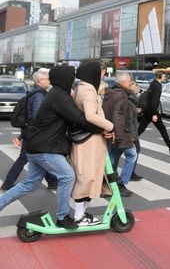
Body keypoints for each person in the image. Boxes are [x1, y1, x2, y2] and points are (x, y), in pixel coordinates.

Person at [0, 65, 103, 229]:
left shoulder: (56, 94)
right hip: (45, 149)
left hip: (36, 146)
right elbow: (79, 119)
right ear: (64, 78)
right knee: (68, 176)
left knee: (30, 184)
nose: (74, 79)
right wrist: (104, 128)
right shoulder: (59, 96)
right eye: (72, 76)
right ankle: (62, 217)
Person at [71, 61, 115, 227]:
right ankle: (79, 216)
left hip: (89, 139)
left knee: (86, 177)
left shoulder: (81, 87)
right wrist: (110, 126)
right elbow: (90, 115)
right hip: (89, 142)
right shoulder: (88, 90)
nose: (102, 75)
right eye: (100, 72)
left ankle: (81, 214)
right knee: (87, 177)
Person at [1, 69, 58, 191]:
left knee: (37, 157)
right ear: (40, 81)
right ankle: (8, 183)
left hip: (29, 131)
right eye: (47, 79)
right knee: (29, 158)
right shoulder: (38, 95)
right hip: (34, 132)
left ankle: (52, 182)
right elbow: (38, 116)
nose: (49, 81)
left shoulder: (33, 91)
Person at [103, 71, 138, 197]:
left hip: (110, 132)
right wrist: (117, 137)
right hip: (120, 134)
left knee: (112, 159)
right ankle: (121, 183)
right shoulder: (122, 95)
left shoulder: (109, 94)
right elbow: (118, 117)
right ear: (123, 82)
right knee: (132, 155)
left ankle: (109, 184)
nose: (130, 84)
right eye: (129, 81)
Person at [137, 72, 170, 154]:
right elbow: (154, 101)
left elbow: (150, 99)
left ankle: (131, 142)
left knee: (141, 129)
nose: (165, 77)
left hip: (148, 110)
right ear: (160, 77)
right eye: (164, 76)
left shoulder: (153, 83)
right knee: (162, 128)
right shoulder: (157, 86)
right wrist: (154, 114)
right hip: (152, 111)